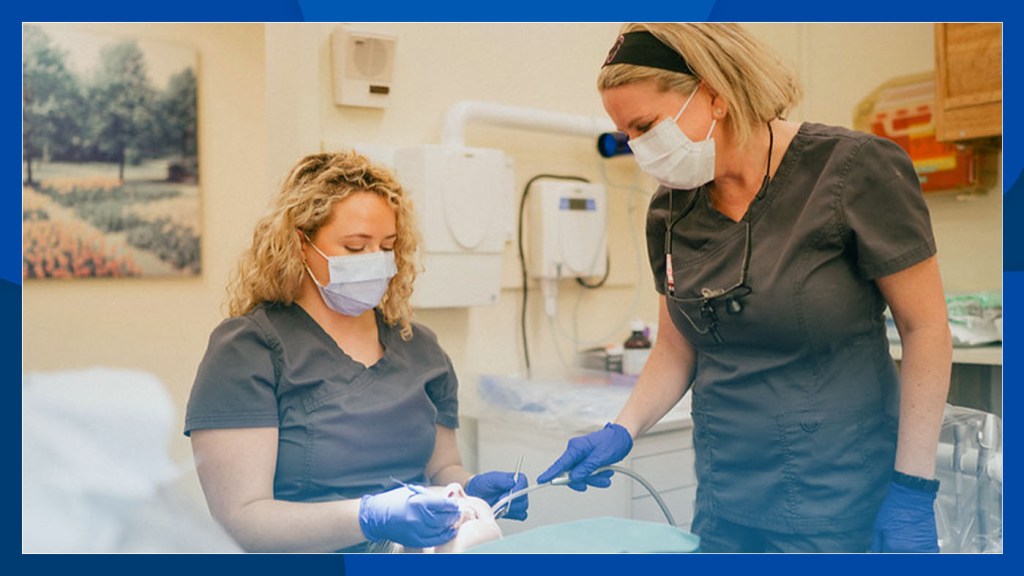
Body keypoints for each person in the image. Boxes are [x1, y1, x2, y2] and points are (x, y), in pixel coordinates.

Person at [539, 23, 952, 553]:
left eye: (646, 127)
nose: (641, 151)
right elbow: (676, 346)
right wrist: (622, 429)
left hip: (839, 497)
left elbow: (926, 328)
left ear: (713, 93)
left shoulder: (853, 171)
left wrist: (914, 489)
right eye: (628, 137)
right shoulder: (670, 210)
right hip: (725, 500)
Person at [184, 151, 528, 553]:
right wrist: (367, 517)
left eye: (387, 247)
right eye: (354, 246)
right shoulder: (248, 350)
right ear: (300, 243)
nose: (376, 263)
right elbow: (241, 520)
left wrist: (469, 486)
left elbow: (440, 467)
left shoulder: (420, 348)